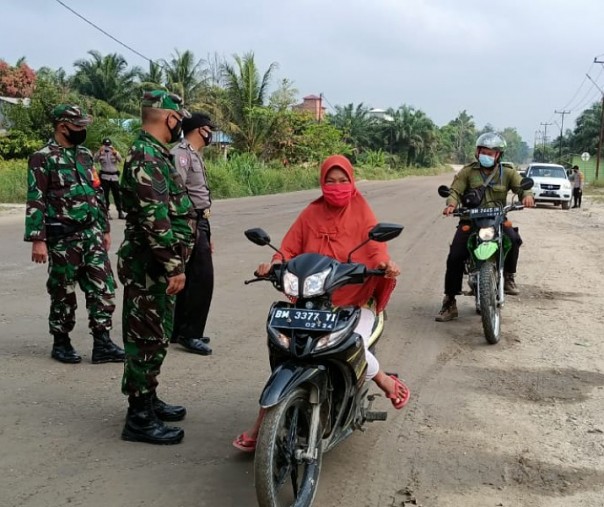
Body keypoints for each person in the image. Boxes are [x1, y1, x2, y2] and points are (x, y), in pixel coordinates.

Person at [232, 154, 410, 453]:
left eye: (343, 181)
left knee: (355, 345)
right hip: (313, 300)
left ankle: (382, 379)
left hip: (354, 302)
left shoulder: (362, 212)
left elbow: (376, 250)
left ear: (352, 182)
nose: (337, 187)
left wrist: (385, 265)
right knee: (289, 352)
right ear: (322, 182)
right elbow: (288, 248)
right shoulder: (310, 213)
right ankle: (264, 421)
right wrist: (273, 264)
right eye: (331, 181)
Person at [117, 90, 196, 445]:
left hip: (156, 265)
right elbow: (155, 219)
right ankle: (139, 417)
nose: (181, 123)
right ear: (170, 118)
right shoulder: (146, 156)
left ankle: (148, 399)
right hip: (151, 265)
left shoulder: (154, 154)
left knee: (156, 334)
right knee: (145, 337)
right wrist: (174, 265)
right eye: (180, 117)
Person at [24, 104, 124, 365]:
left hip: (91, 234)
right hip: (63, 237)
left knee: (103, 287)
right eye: (79, 125)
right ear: (62, 126)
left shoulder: (84, 155)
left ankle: (102, 342)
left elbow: (96, 191)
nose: (83, 130)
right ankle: (61, 342)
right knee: (62, 290)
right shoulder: (42, 157)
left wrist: (104, 227)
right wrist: (38, 239)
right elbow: (36, 199)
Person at [435, 132, 535, 322]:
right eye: (484, 152)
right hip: (470, 221)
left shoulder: (508, 172)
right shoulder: (468, 171)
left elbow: (521, 187)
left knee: (512, 240)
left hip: (497, 219)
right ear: (477, 152)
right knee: (455, 255)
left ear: (498, 155)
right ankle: (450, 301)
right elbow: (455, 190)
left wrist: (527, 196)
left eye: (491, 153)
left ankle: (509, 277)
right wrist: (451, 204)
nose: (487, 156)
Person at [169, 113, 215, 356]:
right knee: (200, 279)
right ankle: (190, 333)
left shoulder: (193, 154)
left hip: (200, 222)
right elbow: (177, 193)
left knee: (192, 279)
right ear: (200, 130)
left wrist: (206, 232)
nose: (211, 134)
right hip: (189, 223)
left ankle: (180, 329)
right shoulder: (181, 154)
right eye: (210, 129)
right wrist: (189, 228)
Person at [94, 138, 124, 219]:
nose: (107, 146)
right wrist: (99, 152)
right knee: (105, 195)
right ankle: (106, 212)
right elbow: (95, 160)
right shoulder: (100, 152)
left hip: (114, 177)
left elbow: (120, 160)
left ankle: (120, 212)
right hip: (104, 177)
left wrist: (116, 153)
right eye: (105, 144)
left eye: (108, 144)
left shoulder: (114, 152)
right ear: (103, 144)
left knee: (117, 195)